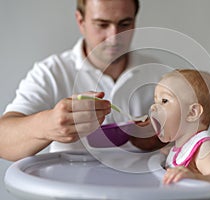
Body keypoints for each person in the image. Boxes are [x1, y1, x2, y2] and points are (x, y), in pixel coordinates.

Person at [0, 0, 165, 161]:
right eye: (102, 24)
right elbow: (3, 141)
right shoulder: (51, 73)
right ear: (81, 21)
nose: (114, 37)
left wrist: (159, 137)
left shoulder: (156, 72)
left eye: (124, 24)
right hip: (71, 186)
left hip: (143, 186)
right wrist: (49, 124)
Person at [150, 69, 210, 200]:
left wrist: (195, 178)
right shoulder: (181, 149)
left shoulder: (204, 147)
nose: (154, 107)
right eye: (155, 102)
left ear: (192, 113)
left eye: (164, 101)